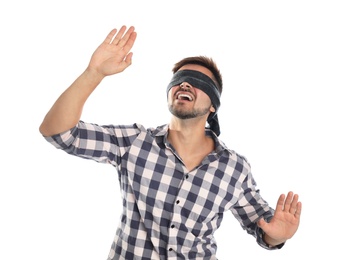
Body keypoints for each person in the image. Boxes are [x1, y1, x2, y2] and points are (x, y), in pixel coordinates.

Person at [39, 25, 302, 260]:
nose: (186, 84)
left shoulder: (234, 168)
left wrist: (278, 235)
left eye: (199, 83)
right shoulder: (134, 142)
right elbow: (58, 132)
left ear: (213, 106)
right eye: (180, 80)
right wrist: (93, 73)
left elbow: (264, 229)